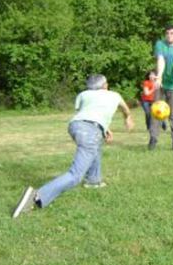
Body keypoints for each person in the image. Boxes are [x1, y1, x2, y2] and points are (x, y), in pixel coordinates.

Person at [12, 74, 134, 218]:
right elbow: (125, 109)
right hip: (90, 130)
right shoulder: (114, 95)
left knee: (94, 146)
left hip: (75, 126)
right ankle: (36, 196)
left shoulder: (83, 94)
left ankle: (93, 181)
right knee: (75, 175)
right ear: (105, 86)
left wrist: (104, 128)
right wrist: (127, 118)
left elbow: (86, 113)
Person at [148, 25, 173, 151]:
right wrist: (159, 77)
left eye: (172, 33)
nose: (169, 35)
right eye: (167, 33)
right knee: (156, 112)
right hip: (160, 85)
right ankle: (153, 140)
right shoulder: (160, 44)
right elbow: (160, 60)